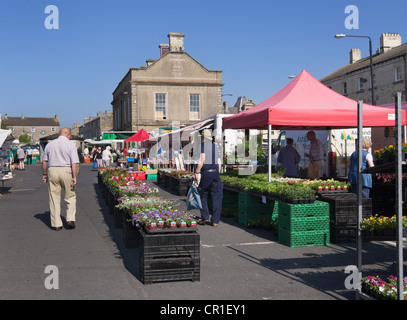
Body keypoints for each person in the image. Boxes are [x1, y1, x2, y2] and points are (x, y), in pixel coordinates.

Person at [42, 127, 79, 231]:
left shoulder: (49, 144)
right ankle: (70, 219)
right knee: (70, 196)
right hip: (66, 170)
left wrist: (44, 174)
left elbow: (44, 161)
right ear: (68, 135)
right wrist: (74, 177)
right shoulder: (71, 145)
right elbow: (74, 163)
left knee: (54, 197)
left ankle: (56, 224)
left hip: (52, 170)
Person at [194, 129, 223, 227]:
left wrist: (197, 171)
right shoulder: (215, 146)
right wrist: (217, 173)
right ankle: (215, 221)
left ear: (203, 137)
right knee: (216, 197)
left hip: (206, 173)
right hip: (215, 173)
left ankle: (205, 217)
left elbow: (202, 159)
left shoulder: (202, 145)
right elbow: (219, 161)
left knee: (203, 195)